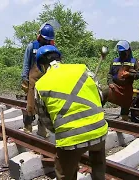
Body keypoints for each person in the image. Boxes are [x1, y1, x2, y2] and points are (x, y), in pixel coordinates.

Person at [34, 45, 107, 180]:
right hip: (99, 130)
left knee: (63, 173)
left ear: (42, 66)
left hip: (69, 138)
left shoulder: (40, 85)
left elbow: (45, 119)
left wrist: (61, 129)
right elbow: (100, 94)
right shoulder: (81, 68)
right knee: (98, 162)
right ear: (60, 58)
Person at [20, 23, 55, 137]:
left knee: (45, 106)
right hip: (33, 80)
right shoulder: (32, 46)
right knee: (31, 105)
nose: (46, 41)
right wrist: (24, 79)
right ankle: (27, 127)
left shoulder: (52, 48)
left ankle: (42, 129)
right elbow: (26, 63)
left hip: (47, 80)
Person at [107, 40, 139, 121]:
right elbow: (109, 74)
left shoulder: (133, 62)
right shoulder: (114, 61)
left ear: (128, 51)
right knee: (103, 92)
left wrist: (129, 74)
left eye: (123, 52)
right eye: (120, 52)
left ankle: (124, 121)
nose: (121, 54)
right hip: (114, 87)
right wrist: (110, 83)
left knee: (125, 108)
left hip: (127, 89)